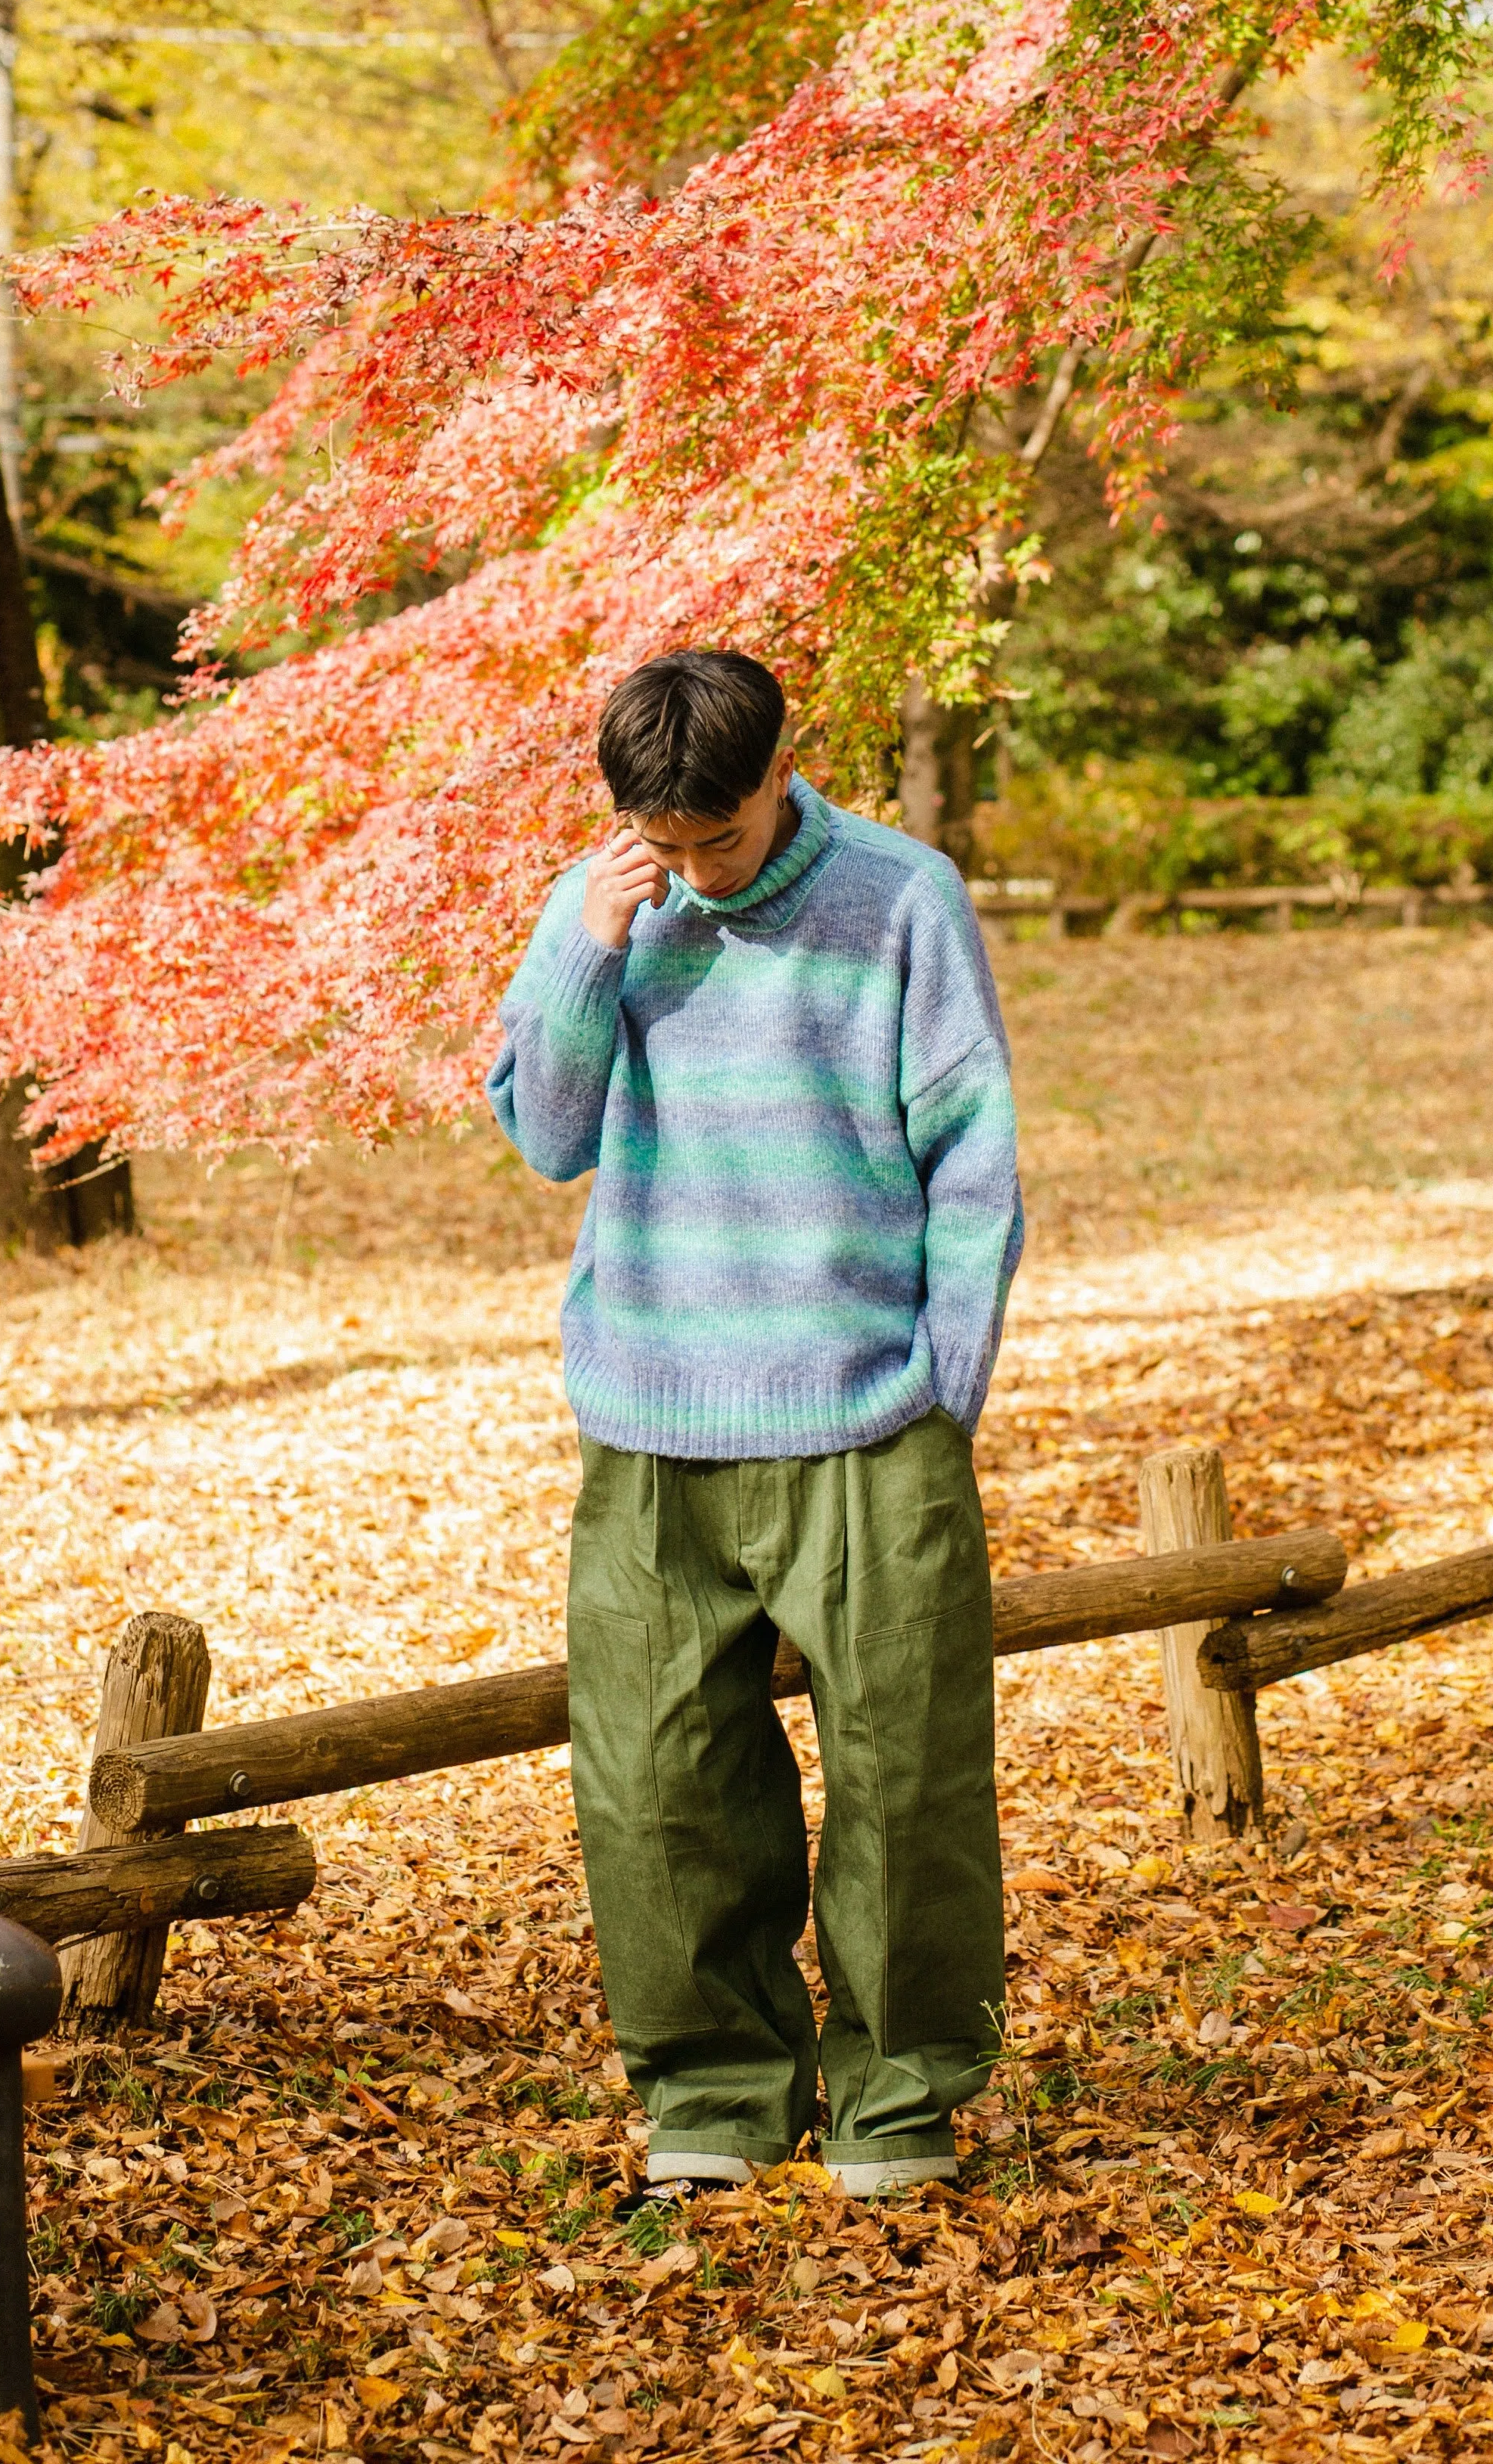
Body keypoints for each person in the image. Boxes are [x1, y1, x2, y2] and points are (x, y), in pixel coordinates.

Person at [488, 647, 1023, 2201]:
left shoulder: (903, 895)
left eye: (716, 838)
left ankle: (902, 2100)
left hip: (868, 1414)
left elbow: (974, 1158)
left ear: (786, 764)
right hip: (654, 1417)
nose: (694, 868)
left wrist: (947, 1385)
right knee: (657, 1785)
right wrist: (590, 952)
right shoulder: (606, 900)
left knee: (908, 1772)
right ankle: (717, 2091)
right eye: (665, 839)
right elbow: (546, 1133)